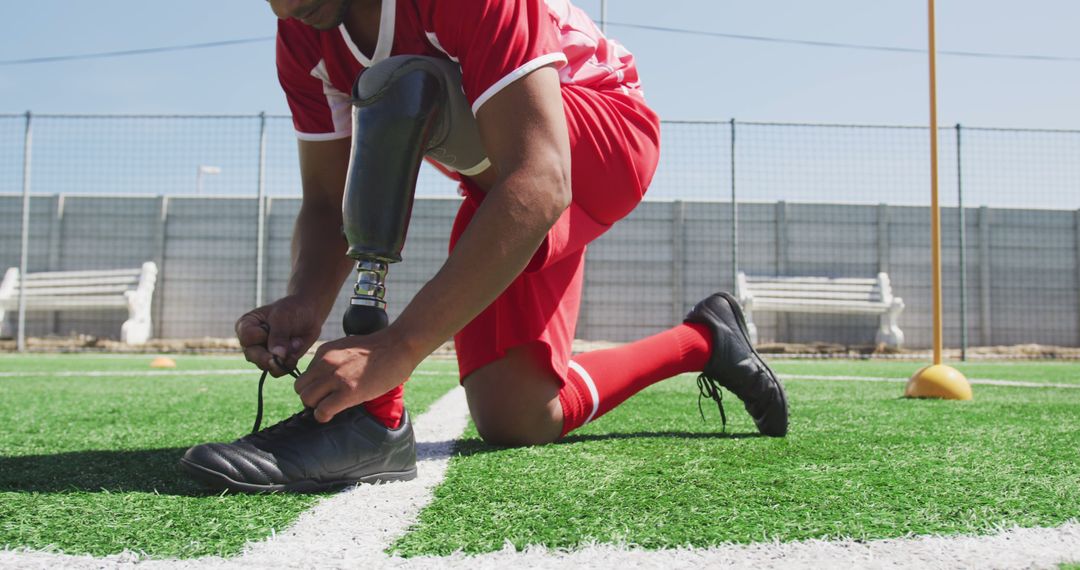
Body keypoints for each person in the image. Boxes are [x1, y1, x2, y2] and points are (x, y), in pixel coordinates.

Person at [180, 0, 788, 493]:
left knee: (403, 78)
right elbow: (325, 200)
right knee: (518, 418)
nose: (279, 6)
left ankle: (377, 416)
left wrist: (397, 348)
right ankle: (705, 340)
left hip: (597, 137)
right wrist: (305, 302)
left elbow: (542, 178)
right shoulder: (303, 25)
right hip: (501, 177)